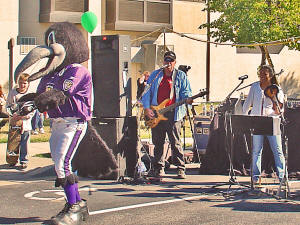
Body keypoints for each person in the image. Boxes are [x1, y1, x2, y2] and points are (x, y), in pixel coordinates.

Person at [141, 51, 193, 179]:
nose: (168, 63)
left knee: (175, 141)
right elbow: (146, 92)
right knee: (157, 142)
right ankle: (159, 168)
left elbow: (186, 92)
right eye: (166, 60)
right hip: (157, 113)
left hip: (173, 113)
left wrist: (188, 99)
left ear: (175, 62)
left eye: (171, 61)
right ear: (163, 62)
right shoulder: (155, 74)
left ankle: (181, 168)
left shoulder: (180, 75)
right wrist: (147, 108)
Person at [242, 65, 286, 184]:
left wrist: (275, 109)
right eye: (260, 74)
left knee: (277, 149)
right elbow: (247, 103)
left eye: (264, 74)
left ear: (270, 75)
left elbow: (280, 109)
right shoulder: (255, 87)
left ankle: (282, 177)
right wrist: (245, 117)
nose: (262, 76)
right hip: (257, 121)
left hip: (272, 121)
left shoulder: (276, 89)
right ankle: (255, 178)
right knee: (256, 150)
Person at [6, 73, 34, 169]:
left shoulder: (30, 95)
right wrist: (12, 114)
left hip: (25, 122)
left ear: (28, 84)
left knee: (24, 142)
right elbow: (8, 105)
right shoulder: (13, 93)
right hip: (15, 121)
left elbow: (33, 109)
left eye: (25, 83)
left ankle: (24, 160)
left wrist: (25, 116)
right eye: (21, 83)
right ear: (18, 83)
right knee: (13, 141)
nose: (22, 85)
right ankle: (12, 159)